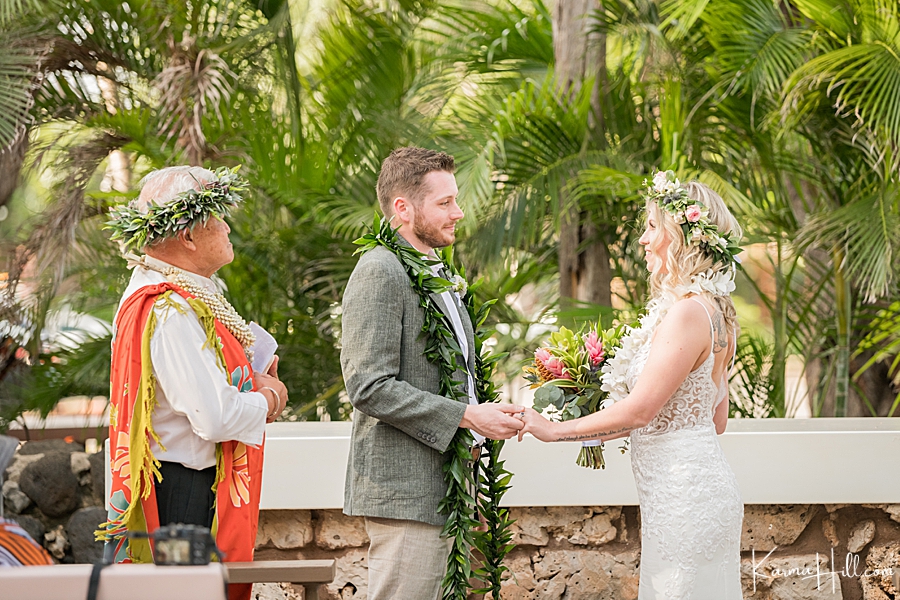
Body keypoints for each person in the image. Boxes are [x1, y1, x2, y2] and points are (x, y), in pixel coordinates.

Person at [518, 172, 744, 599]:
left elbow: (641, 412)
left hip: (684, 502)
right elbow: (713, 421)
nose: (643, 239)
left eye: (652, 226)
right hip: (695, 492)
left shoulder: (686, 315)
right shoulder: (717, 313)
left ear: (681, 235)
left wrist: (554, 430)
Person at [340, 147, 524, 599]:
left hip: (449, 490)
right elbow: (368, 385)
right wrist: (467, 416)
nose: (459, 213)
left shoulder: (437, 273)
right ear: (402, 208)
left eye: (455, 200)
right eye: (445, 203)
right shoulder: (380, 271)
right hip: (406, 493)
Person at [99, 166, 287, 600]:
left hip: (181, 487)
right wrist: (269, 397)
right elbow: (215, 417)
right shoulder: (169, 309)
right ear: (186, 237)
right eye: (218, 215)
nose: (226, 225)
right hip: (178, 495)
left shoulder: (179, 295)